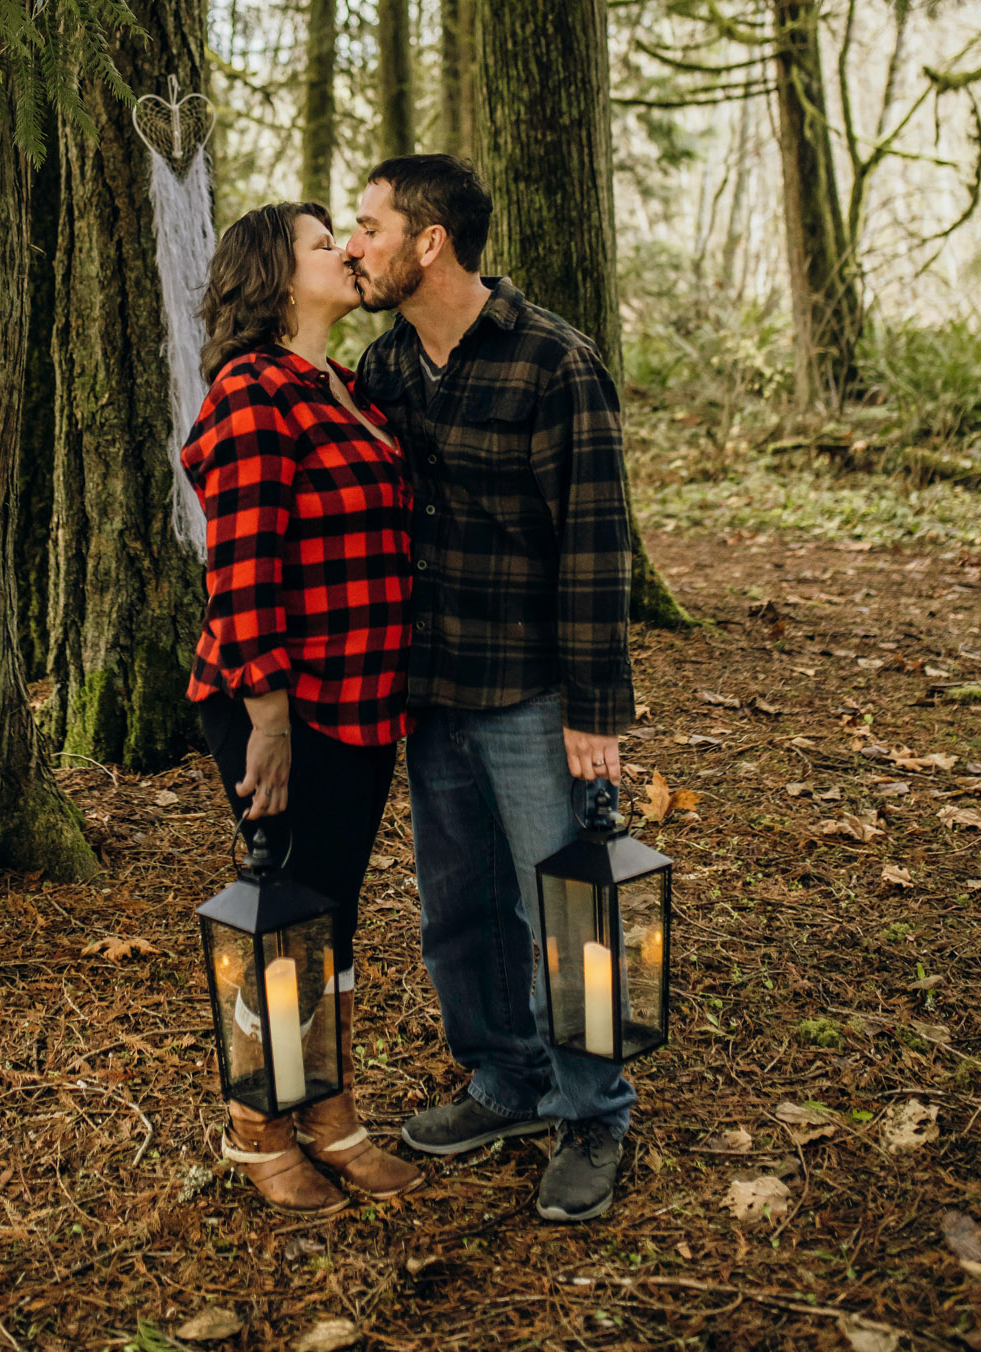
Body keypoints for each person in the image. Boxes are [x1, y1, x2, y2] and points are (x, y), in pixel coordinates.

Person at [345, 152, 638, 1224]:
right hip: (429, 694)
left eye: (370, 226)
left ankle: (595, 1111)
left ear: (430, 241)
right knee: (458, 911)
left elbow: (598, 547)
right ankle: (507, 1081)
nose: (353, 245)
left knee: (572, 910)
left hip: (530, 697)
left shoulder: (554, 363)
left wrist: (597, 714)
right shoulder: (380, 369)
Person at [183, 199, 423, 1216]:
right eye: (326, 244)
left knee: (330, 914)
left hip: (362, 703)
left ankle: (328, 1112)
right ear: (276, 279)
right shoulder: (252, 393)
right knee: (284, 910)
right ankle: (258, 1128)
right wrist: (269, 715)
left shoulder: (347, 387)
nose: (348, 253)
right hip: (280, 704)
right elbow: (240, 570)